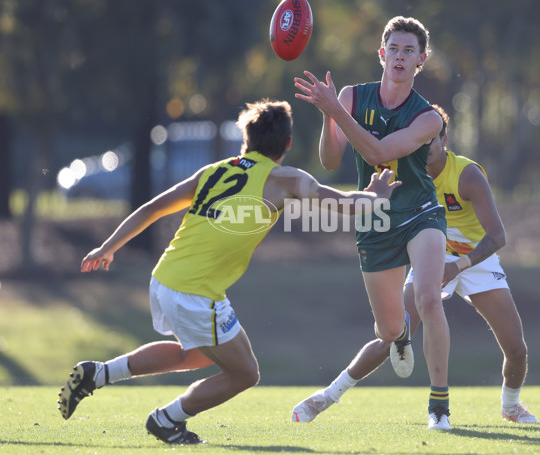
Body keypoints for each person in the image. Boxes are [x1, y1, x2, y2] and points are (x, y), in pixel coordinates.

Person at [57, 99, 401, 445]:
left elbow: (152, 208)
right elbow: (341, 205)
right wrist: (376, 197)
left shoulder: (213, 171)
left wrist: (108, 247)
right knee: (245, 373)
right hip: (194, 290)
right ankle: (167, 419)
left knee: (191, 355)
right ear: (287, 144)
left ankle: (98, 374)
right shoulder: (285, 178)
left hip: (165, 277)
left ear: (246, 140)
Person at [291, 105, 539, 425]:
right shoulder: (403, 175)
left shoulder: (467, 174)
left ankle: (511, 405)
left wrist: (459, 265)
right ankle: (325, 397)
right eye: (418, 141)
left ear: (444, 140)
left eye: (431, 140)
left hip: (474, 260)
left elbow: (498, 236)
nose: (424, 147)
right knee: (391, 336)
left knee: (517, 350)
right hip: (429, 257)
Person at [294, 16, 451, 429]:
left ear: (421, 61)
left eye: (409, 51)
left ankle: (439, 406)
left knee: (429, 298)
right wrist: (329, 117)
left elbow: (380, 153)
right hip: (375, 216)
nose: (400, 57)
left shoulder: (429, 118)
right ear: (382, 54)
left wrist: (336, 112)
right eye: (394, 49)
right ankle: (400, 337)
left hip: (420, 211)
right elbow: (329, 162)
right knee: (388, 329)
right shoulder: (351, 96)